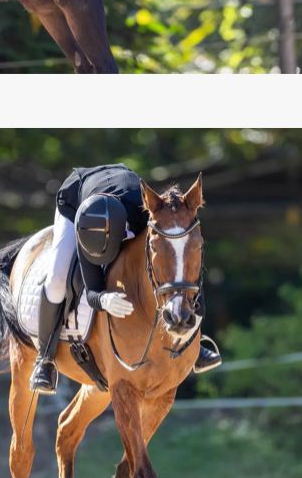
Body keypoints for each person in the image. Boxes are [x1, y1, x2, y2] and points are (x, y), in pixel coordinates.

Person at [30, 163, 223, 392]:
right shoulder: (87, 229)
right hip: (75, 200)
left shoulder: (145, 218)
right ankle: (44, 359)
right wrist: (103, 299)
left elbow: (176, 266)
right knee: (57, 279)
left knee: (179, 261)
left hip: (122, 198)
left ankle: (195, 344)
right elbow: (93, 292)